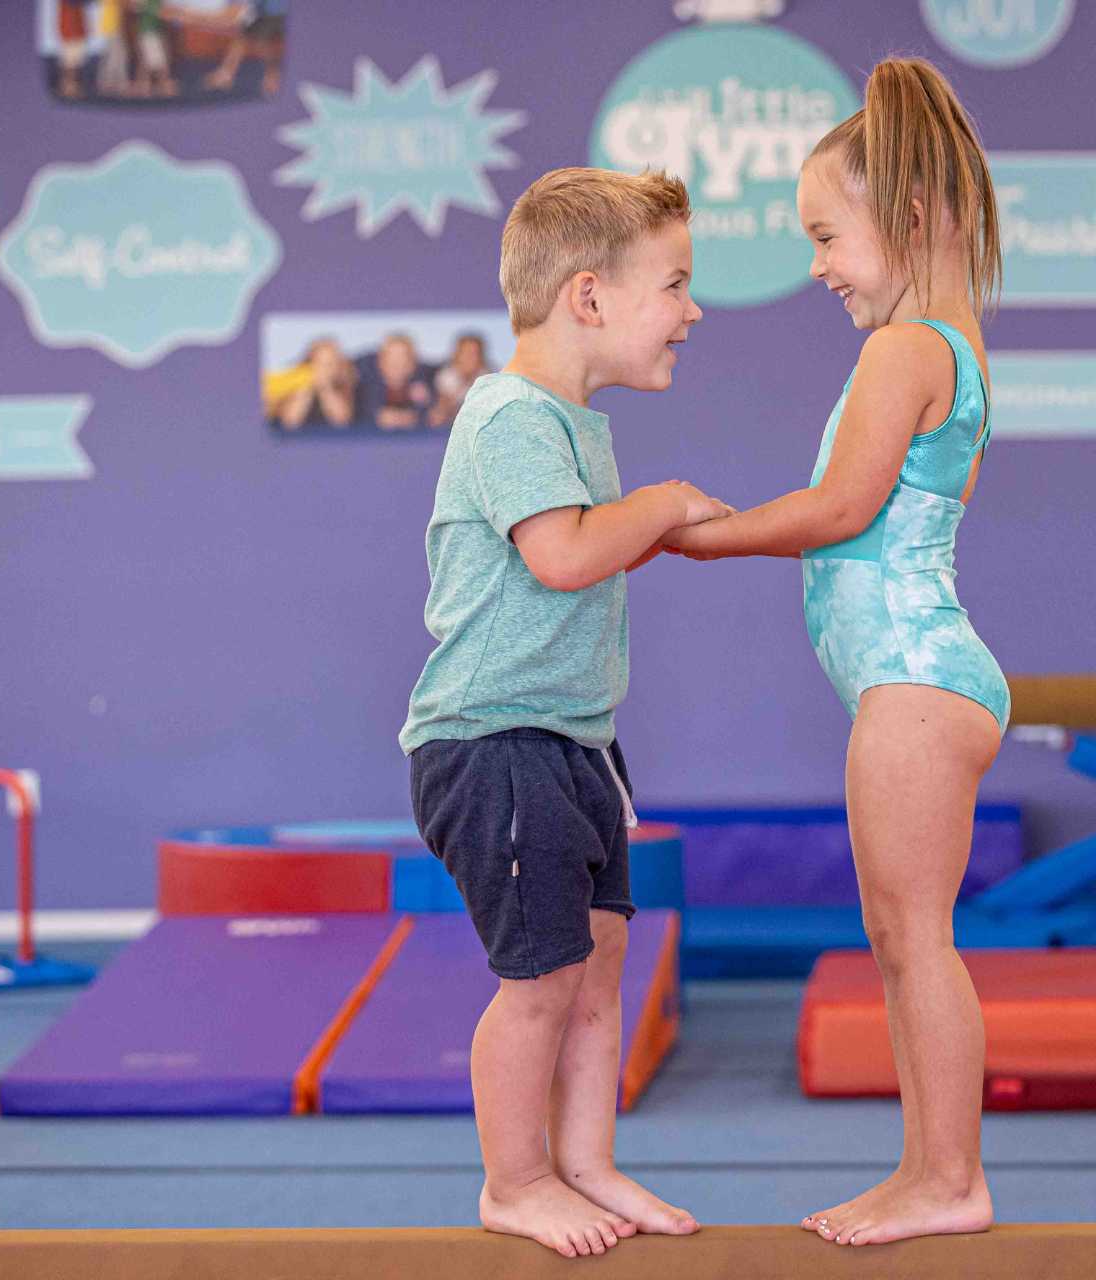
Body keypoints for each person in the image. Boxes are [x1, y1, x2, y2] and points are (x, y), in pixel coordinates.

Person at [660, 57, 1006, 1248]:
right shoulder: (938, 342)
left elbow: (839, 507)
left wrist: (698, 536)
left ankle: (949, 1174)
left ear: (906, 218)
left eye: (826, 235)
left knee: (917, 939)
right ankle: (926, 1168)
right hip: (911, 679)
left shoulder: (905, 349)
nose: (815, 265)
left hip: (915, 678)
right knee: (900, 938)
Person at [400, 166, 725, 1259]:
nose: (693, 310)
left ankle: (586, 1159)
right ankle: (517, 1177)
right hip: (493, 741)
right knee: (539, 977)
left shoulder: (575, 424)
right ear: (588, 298)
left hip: (575, 738)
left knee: (598, 959)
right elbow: (563, 554)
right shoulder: (509, 415)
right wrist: (665, 505)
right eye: (675, 284)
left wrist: (651, 512)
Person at [272, 337, 357, 429]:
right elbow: (290, 421)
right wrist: (306, 387)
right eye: (320, 364)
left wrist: (325, 388)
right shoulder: (297, 380)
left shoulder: (344, 383)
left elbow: (341, 420)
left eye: (330, 364)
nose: (325, 370)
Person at [431, 332, 491, 428]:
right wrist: (464, 381)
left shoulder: (489, 377)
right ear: (457, 354)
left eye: (473, 354)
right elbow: (442, 409)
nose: (469, 358)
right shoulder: (446, 375)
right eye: (465, 353)